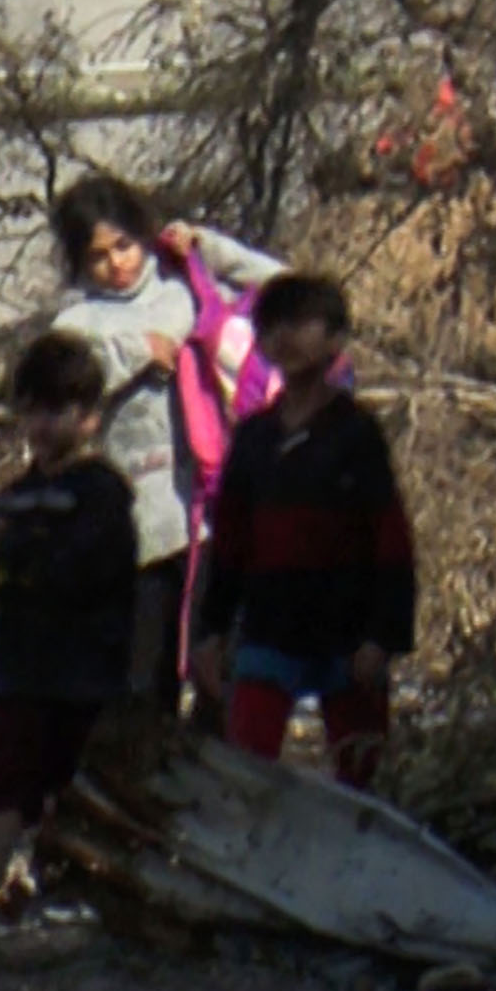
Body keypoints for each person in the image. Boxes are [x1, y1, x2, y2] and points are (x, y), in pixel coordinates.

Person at [0, 331, 135, 955]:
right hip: (20, 672)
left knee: (73, 799)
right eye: (34, 408)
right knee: (3, 789)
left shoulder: (102, 494)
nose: (43, 424)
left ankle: (67, 901)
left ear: (90, 415)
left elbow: (80, 572)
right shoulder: (13, 496)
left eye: (59, 409)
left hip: (83, 677)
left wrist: (10, 550)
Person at [47, 175, 283, 720]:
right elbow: (60, 388)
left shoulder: (186, 287)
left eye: (125, 245)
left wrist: (210, 249)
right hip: (134, 531)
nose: (119, 264)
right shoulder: (76, 324)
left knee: (220, 676)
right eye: (99, 256)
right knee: (142, 684)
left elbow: (285, 291)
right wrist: (137, 351)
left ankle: (212, 796)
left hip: (209, 521)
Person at [189, 274, 416, 791]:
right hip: (269, 626)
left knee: (359, 774)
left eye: (300, 323)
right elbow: (230, 543)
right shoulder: (252, 439)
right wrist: (212, 630)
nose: (284, 337)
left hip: (346, 631)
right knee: (247, 770)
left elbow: (389, 538)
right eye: (271, 326)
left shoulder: (356, 434)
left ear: (336, 340)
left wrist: (384, 636)